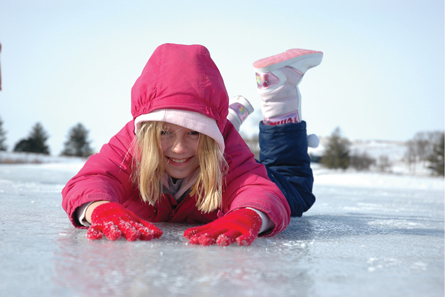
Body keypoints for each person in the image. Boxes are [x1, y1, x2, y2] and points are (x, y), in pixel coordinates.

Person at [61, 43, 322, 246]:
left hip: (222, 145)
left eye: (194, 133)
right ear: (147, 132)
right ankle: (226, 116)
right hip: (214, 133)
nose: (178, 148)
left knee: (295, 192)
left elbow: (258, 189)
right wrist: (99, 209)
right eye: (165, 133)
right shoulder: (131, 143)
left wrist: (249, 214)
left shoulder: (226, 149)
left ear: (212, 134)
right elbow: (92, 180)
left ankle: (280, 100)